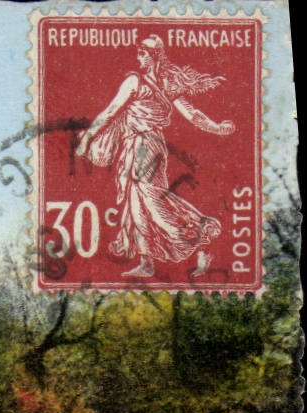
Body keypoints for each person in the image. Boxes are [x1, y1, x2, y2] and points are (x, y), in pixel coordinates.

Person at [75, 35, 235, 279]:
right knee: (137, 204)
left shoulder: (135, 81)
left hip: (144, 145)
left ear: (153, 57)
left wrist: (86, 140)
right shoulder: (165, 85)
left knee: (149, 200)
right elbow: (193, 115)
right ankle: (147, 262)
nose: (138, 58)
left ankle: (202, 238)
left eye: (142, 54)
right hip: (144, 146)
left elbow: (110, 112)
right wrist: (217, 127)